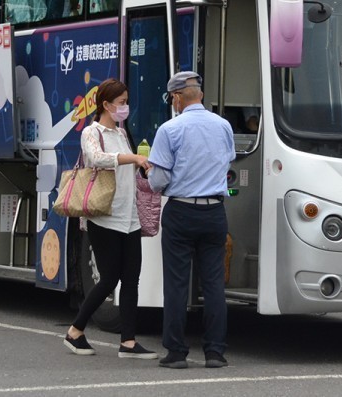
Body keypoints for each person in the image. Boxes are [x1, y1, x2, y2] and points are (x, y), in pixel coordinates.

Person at [63, 78, 157, 360]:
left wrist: (142, 165)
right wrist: (132, 159)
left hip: (129, 216)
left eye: (127, 102)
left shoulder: (122, 132)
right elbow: (97, 158)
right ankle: (75, 330)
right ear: (106, 104)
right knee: (109, 278)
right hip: (104, 216)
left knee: (131, 279)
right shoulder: (92, 132)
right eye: (121, 103)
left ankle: (128, 342)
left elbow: (125, 166)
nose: (125, 107)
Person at [147, 71, 235, 369]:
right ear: (199, 94)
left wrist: (148, 173)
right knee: (213, 285)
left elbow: (158, 181)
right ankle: (215, 352)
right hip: (214, 212)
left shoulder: (169, 129)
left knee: (176, 284)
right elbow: (227, 160)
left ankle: (176, 352)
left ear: (176, 98)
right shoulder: (223, 126)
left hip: (181, 211)